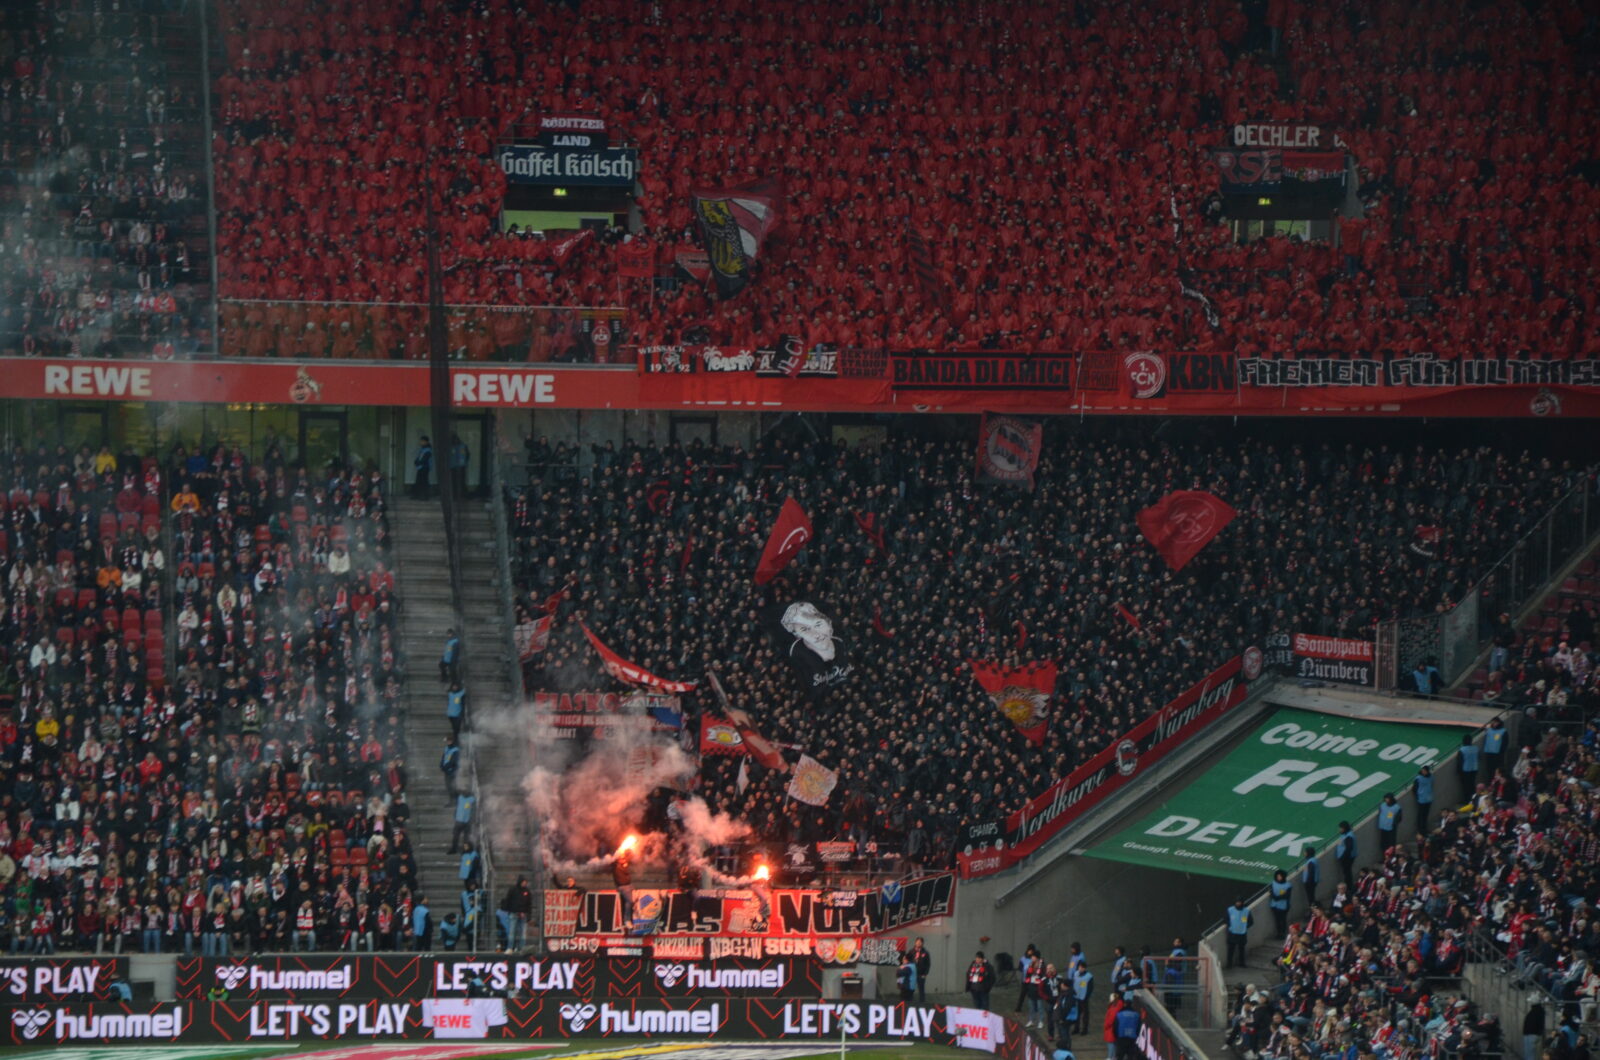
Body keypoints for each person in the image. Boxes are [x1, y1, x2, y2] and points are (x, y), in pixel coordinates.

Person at [499, 876, 533, 951]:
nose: (525, 883)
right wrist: (511, 910)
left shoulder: (527, 891)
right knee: (512, 932)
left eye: (525, 882)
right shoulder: (513, 890)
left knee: (522, 933)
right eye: (524, 882)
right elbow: (509, 901)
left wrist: (528, 915)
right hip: (514, 913)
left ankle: (522, 948)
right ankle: (510, 947)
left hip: (523, 914)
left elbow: (529, 904)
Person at [1112, 993, 1142, 1060]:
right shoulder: (1136, 1015)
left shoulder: (1119, 1014)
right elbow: (1138, 1027)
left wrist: (1116, 1037)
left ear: (1124, 1004)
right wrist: (1136, 1035)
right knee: (1130, 1056)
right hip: (1131, 1038)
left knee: (1119, 1056)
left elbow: (1115, 1027)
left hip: (1121, 1038)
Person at [1224, 898, 1252, 968]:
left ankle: (1241, 963)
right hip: (1232, 933)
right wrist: (1230, 927)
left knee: (1241, 949)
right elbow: (1226, 919)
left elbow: (1251, 922)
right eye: (1237, 902)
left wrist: (1245, 927)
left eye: (1239, 902)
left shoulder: (1246, 911)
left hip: (1242, 933)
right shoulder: (1230, 910)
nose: (1238, 904)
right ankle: (1229, 964)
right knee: (1231, 949)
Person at [1071, 960, 1094, 1035]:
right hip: (1076, 997)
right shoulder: (1076, 974)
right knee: (1076, 1014)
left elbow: (1090, 988)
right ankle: (1076, 1028)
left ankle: (1084, 1029)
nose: (1080, 969)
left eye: (1081, 967)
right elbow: (1073, 983)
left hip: (1084, 998)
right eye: (1079, 967)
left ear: (1084, 968)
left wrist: (1086, 996)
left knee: (1085, 1015)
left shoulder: (1089, 977)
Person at [1268, 870, 1292, 938]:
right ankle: (1279, 933)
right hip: (1275, 905)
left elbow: (1287, 895)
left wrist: (1277, 897)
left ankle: (1283, 933)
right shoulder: (1273, 883)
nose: (1278, 877)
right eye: (1277, 876)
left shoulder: (1288, 885)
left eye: (1280, 876)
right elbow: (1271, 892)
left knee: (1283, 919)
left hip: (1283, 906)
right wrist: (1274, 897)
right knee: (1277, 920)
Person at [1333, 821, 1356, 888]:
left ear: (1344, 828)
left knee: (1347, 872)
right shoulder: (1345, 835)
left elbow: (1349, 848)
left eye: (1340, 828)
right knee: (1346, 872)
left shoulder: (1349, 836)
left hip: (1347, 858)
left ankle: (1348, 886)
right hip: (1345, 857)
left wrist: (1343, 857)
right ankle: (1348, 885)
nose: (1339, 830)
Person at [1414, 766, 1435, 835]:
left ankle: (1424, 828)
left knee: (1425, 815)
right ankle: (1420, 830)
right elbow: (1414, 789)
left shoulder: (1431, 777)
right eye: (1422, 770)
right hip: (1421, 799)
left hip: (1428, 799)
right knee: (1421, 816)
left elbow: (1431, 785)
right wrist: (1418, 797)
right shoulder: (1418, 778)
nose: (1423, 772)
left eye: (1424, 771)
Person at [911, 938, 932, 1005]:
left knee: (921, 990)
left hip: (921, 974)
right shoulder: (911, 951)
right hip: (912, 974)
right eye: (917, 942)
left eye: (920, 942)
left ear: (922, 943)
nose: (918, 943)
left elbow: (928, 964)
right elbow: (907, 961)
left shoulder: (925, 952)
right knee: (910, 989)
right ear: (915, 943)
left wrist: (925, 974)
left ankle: (922, 1004)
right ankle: (910, 1003)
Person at [450, 434, 470, 498]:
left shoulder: (461, 446)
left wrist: (465, 462)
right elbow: (467, 455)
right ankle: (458, 495)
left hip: (458, 466)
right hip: (457, 466)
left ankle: (460, 495)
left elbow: (467, 455)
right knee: (457, 481)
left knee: (458, 481)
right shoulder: (462, 446)